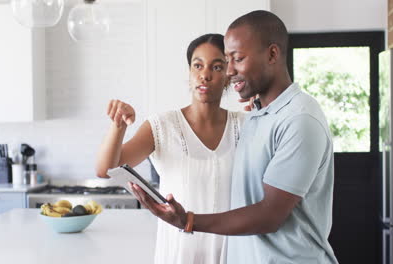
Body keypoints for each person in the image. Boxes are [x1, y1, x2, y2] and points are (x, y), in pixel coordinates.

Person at [130, 10, 339, 264]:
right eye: (226, 61)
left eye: (237, 59)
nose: (228, 71)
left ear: (272, 54)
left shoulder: (300, 120)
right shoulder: (256, 116)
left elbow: (269, 215)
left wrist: (188, 221)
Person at [96, 34, 247, 263]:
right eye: (198, 65)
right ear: (189, 72)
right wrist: (118, 126)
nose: (205, 75)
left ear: (228, 75)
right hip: (178, 255)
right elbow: (105, 170)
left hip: (233, 255)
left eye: (217, 67)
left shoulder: (245, 125)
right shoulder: (162, 126)